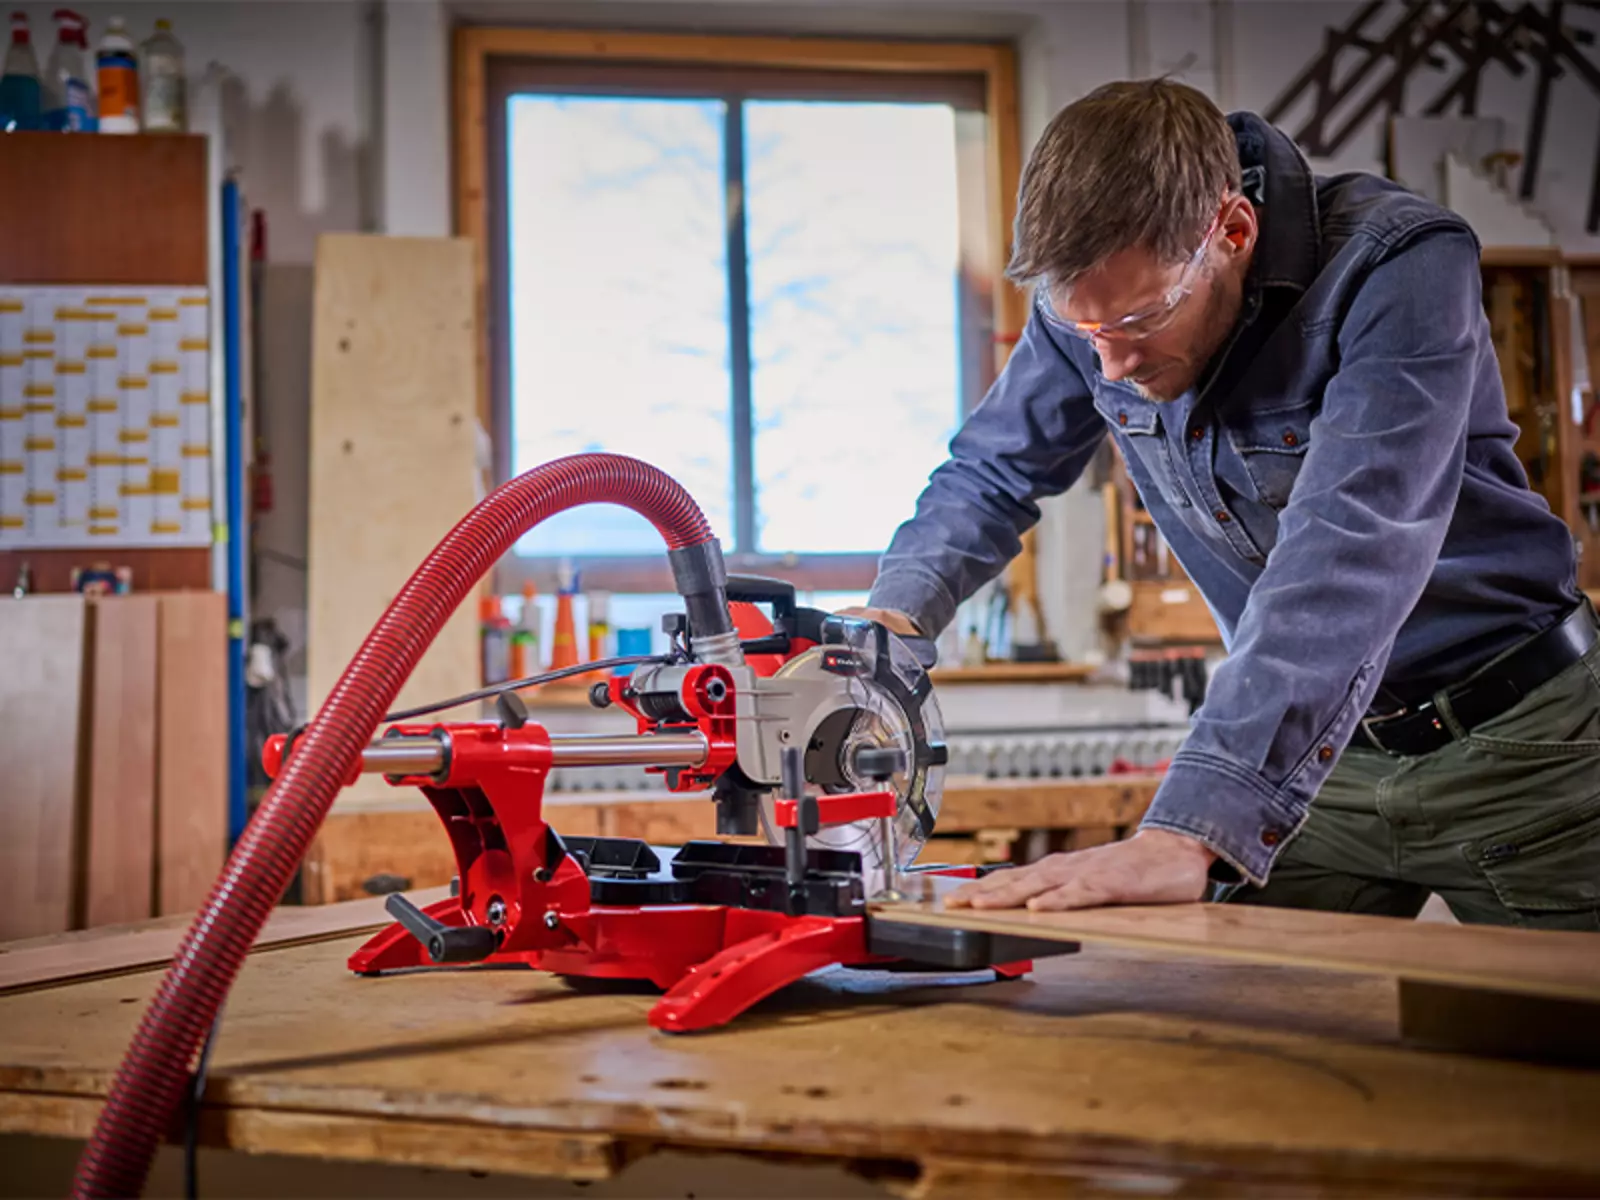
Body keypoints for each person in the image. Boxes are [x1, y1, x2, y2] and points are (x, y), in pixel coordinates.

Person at [850, 79, 1600, 928]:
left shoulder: (1399, 264)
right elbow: (991, 473)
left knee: (1557, 1044)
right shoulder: (1098, 309)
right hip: (1318, 760)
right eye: (1082, 331)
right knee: (1237, 1031)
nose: (1110, 369)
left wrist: (1189, 825)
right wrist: (893, 626)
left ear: (1233, 233)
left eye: (1137, 321)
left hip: (1526, 747)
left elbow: (1347, 546)